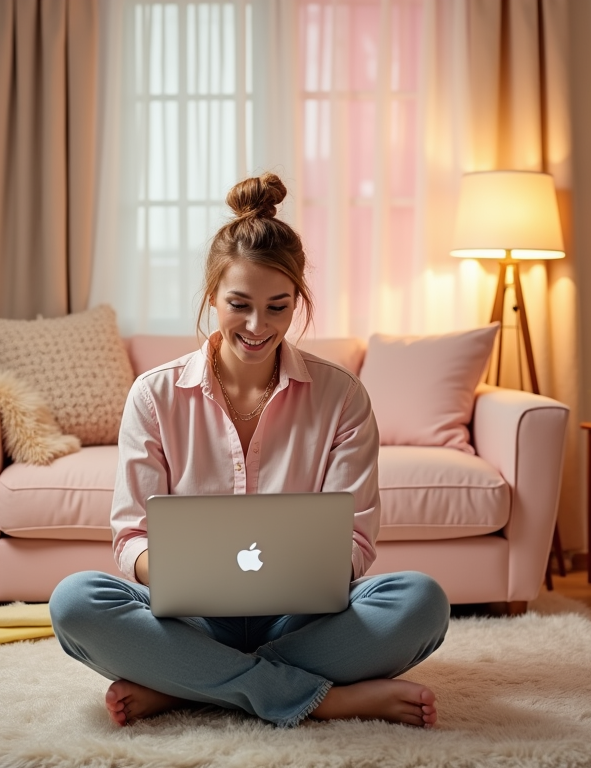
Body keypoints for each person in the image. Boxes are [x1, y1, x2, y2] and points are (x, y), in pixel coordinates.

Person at [49, 172, 449, 729]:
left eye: (278, 307)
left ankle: (182, 684)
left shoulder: (342, 396)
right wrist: (166, 570)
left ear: (298, 302)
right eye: (239, 304)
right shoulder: (155, 394)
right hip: (190, 619)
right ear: (212, 296)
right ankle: (318, 696)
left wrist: (311, 571)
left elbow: (356, 539)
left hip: (303, 618)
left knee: (420, 601)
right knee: (74, 603)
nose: (258, 327)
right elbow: (132, 536)